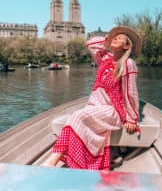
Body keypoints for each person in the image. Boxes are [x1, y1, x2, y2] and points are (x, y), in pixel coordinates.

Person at [42, 26, 142, 170]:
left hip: (112, 110)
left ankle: (51, 162)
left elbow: (130, 93)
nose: (115, 38)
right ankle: (66, 160)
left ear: (127, 46)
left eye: (120, 38)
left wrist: (131, 118)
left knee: (77, 116)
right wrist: (108, 38)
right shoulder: (105, 59)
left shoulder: (128, 64)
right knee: (77, 118)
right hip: (94, 106)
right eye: (114, 37)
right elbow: (91, 44)